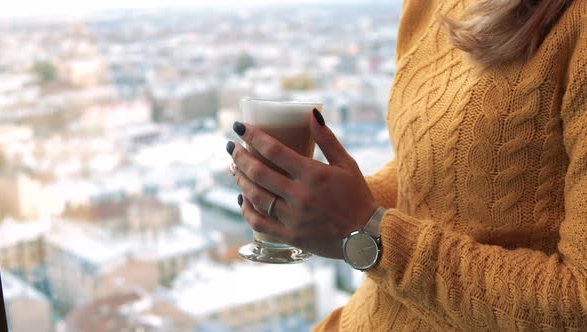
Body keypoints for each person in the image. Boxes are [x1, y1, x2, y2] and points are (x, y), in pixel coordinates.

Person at [227, 0, 587, 330]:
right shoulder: (426, 5)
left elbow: (579, 307)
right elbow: (434, 165)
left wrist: (367, 233)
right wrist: (319, 200)